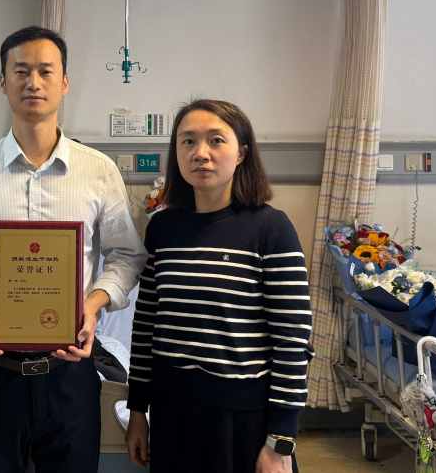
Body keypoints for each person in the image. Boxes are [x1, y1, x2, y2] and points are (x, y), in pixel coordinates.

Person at [0, 26, 146, 473]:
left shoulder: (98, 171)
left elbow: (126, 255)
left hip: (69, 372)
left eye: (45, 71)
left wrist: (92, 305)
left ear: (64, 82)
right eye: (21, 71)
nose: (33, 82)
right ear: (3, 82)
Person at [125, 99, 313, 473]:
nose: (201, 153)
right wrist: (138, 411)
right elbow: (146, 326)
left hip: (243, 422)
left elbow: (293, 340)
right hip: (172, 413)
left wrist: (280, 440)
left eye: (216, 140)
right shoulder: (163, 229)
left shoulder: (270, 229)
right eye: (188, 141)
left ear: (241, 153)